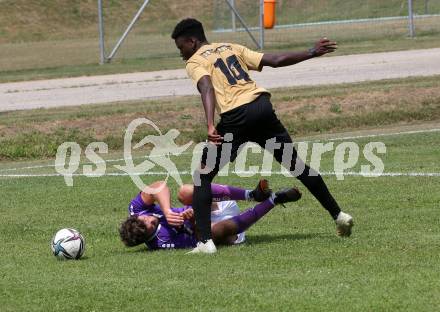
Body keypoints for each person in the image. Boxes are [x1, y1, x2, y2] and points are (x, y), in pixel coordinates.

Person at [171, 18, 354, 253]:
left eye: (181, 48)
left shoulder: (196, 61)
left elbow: (206, 86)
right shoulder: (231, 47)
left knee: (202, 177)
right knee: (297, 166)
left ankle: (205, 242)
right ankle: (339, 215)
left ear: (192, 41)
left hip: (236, 117)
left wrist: (209, 124)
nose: (181, 54)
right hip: (262, 107)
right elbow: (275, 60)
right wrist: (311, 52)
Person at [119, 180, 301, 252]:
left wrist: (166, 210)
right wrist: (192, 220)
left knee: (185, 191)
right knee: (214, 233)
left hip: (215, 206)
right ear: (147, 237)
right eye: (150, 225)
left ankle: (251, 195)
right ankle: (273, 200)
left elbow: (158, 186)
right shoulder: (161, 243)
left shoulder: (136, 209)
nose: (151, 219)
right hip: (224, 227)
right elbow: (202, 240)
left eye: (145, 218)